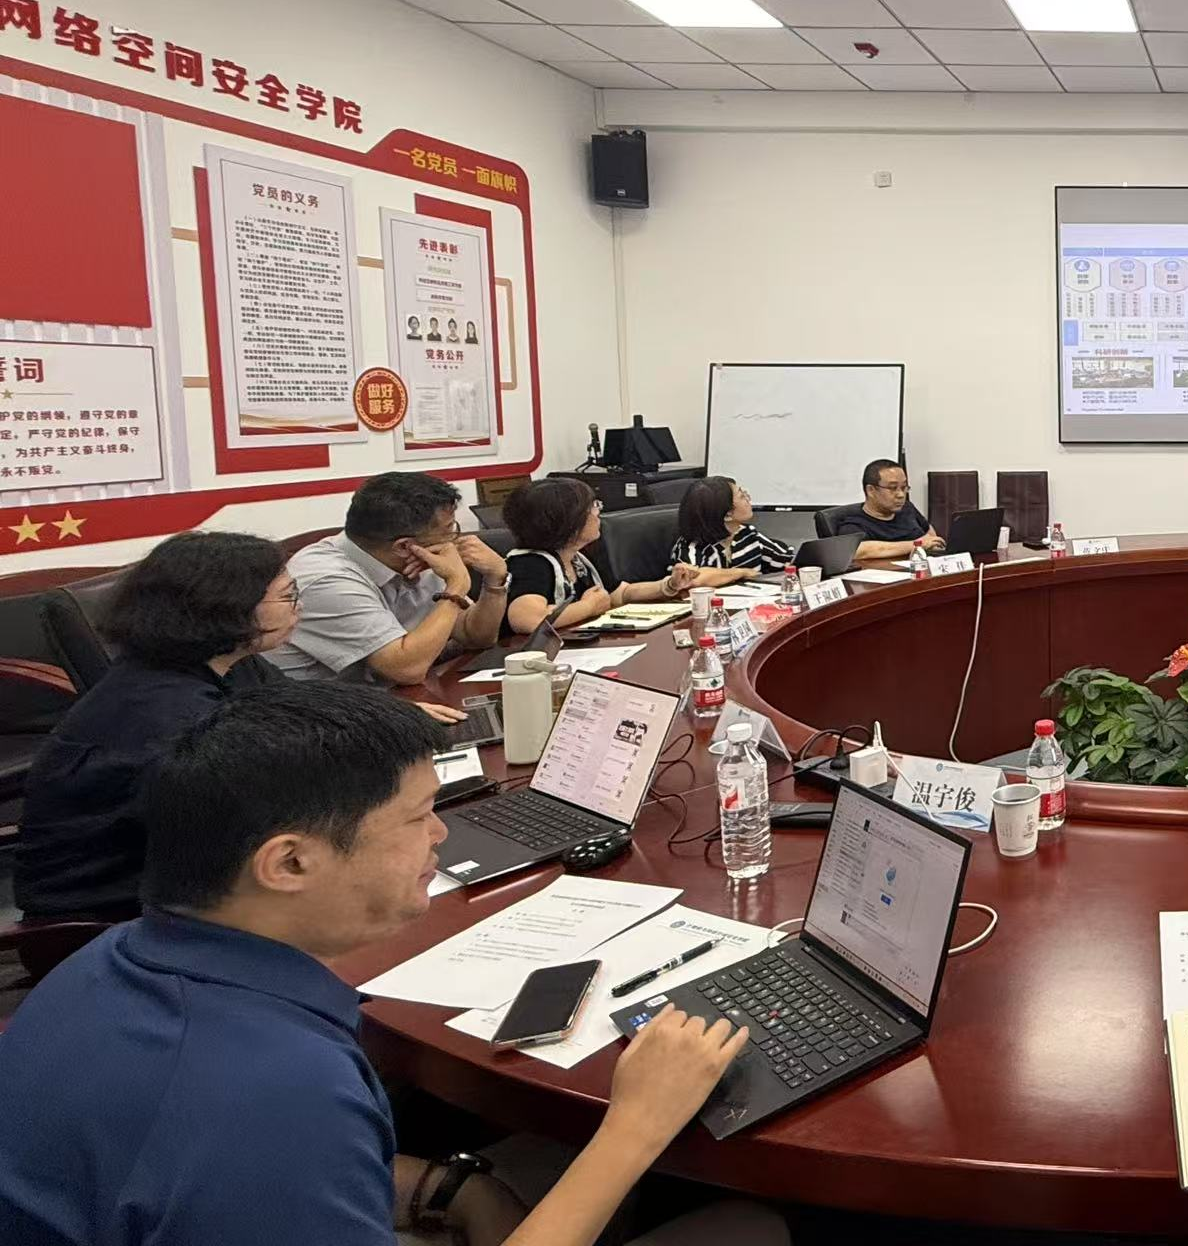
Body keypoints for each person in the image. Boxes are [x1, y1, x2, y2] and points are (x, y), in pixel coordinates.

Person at [0, 683, 790, 1246]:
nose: (441, 836)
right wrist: (638, 1125)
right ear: (290, 863)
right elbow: (261, 1141)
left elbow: (262, 1173)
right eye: (417, 818)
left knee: (549, 1166)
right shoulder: (265, 1088)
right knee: (750, 1225)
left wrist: (448, 1186)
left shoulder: (112, 963)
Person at [15, 533, 296, 921]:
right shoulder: (169, 715)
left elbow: (309, 714)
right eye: (287, 596)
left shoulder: (230, 662)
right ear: (229, 608)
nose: (298, 608)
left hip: (186, 871)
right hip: (106, 916)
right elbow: (245, 815)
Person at [270, 471, 508, 685]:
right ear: (404, 546)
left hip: (384, 700)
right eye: (449, 530)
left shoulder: (415, 558)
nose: (454, 540)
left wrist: (495, 577)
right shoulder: (326, 580)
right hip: (314, 711)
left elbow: (476, 636)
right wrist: (457, 584)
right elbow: (407, 670)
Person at [499, 476, 693, 635]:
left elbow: (620, 594)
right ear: (568, 521)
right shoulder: (531, 563)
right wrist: (588, 607)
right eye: (592, 507)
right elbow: (527, 619)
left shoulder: (581, 556)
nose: (598, 511)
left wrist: (669, 585)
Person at [671, 476, 793, 589]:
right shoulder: (692, 548)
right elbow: (691, 580)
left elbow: (785, 561)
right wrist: (741, 572)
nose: (748, 499)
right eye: (742, 496)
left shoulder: (747, 534)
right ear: (727, 515)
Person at [835, 459, 943, 561]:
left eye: (904, 487)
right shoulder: (854, 524)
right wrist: (917, 544)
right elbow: (860, 551)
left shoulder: (907, 508)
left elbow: (930, 535)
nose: (901, 495)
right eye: (892, 488)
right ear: (871, 490)